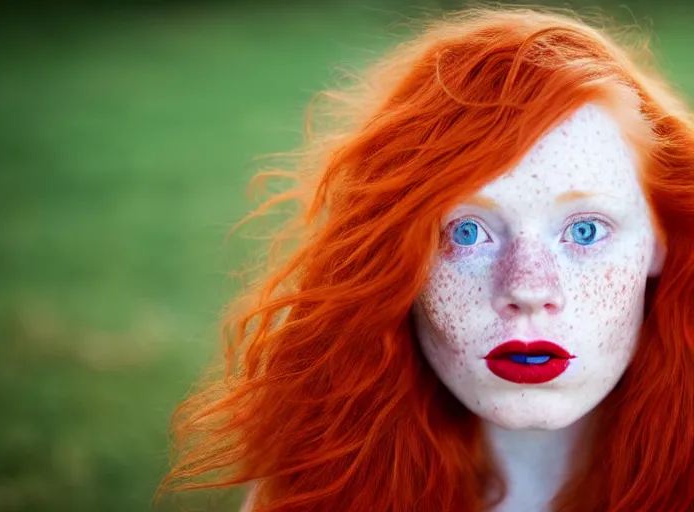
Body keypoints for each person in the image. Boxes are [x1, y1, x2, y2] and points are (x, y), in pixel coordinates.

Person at [160, 6, 694, 511]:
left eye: (584, 230)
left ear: (659, 241)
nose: (529, 287)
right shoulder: (320, 484)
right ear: (394, 256)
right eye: (465, 231)